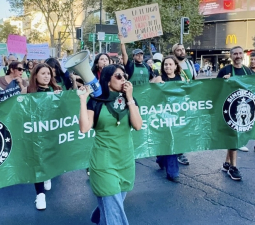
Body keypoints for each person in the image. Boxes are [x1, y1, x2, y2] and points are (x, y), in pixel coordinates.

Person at [78, 64, 142, 224]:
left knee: (113, 204)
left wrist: (129, 98)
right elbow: (85, 128)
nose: (123, 80)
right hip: (104, 162)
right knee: (114, 213)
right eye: (118, 76)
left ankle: (99, 217)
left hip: (125, 160)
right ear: (107, 81)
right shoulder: (96, 102)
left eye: (124, 76)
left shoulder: (130, 100)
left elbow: (137, 125)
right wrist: (82, 100)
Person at [27, 63, 62, 210]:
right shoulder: (29, 91)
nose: (47, 76)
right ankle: (40, 195)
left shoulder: (57, 90)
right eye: (43, 73)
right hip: (37, 134)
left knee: (50, 158)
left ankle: (48, 174)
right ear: (35, 75)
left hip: (53, 133)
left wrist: (59, 98)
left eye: (48, 73)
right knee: (38, 161)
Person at [217, 46, 253, 181]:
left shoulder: (248, 71)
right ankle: (233, 167)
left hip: (244, 109)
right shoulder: (224, 70)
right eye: (235, 54)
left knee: (235, 136)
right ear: (231, 56)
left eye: (240, 53)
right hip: (229, 110)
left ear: (242, 55)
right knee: (233, 136)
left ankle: (227, 163)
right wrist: (223, 82)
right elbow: (215, 89)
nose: (238, 56)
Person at [151, 56, 185, 182]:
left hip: (175, 116)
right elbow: (148, 92)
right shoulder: (159, 79)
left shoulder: (180, 79)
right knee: (166, 140)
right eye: (166, 65)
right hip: (161, 116)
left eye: (170, 64)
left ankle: (171, 171)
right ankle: (165, 163)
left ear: (176, 66)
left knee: (172, 141)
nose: (168, 67)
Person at [172, 43, 196, 165]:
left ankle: (180, 150)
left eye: (183, 49)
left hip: (187, 100)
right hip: (175, 101)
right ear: (174, 52)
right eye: (178, 50)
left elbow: (194, 81)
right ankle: (177, 153)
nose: (181, 51)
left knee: (184, 126)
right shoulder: (171, 64)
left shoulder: (189, 64)